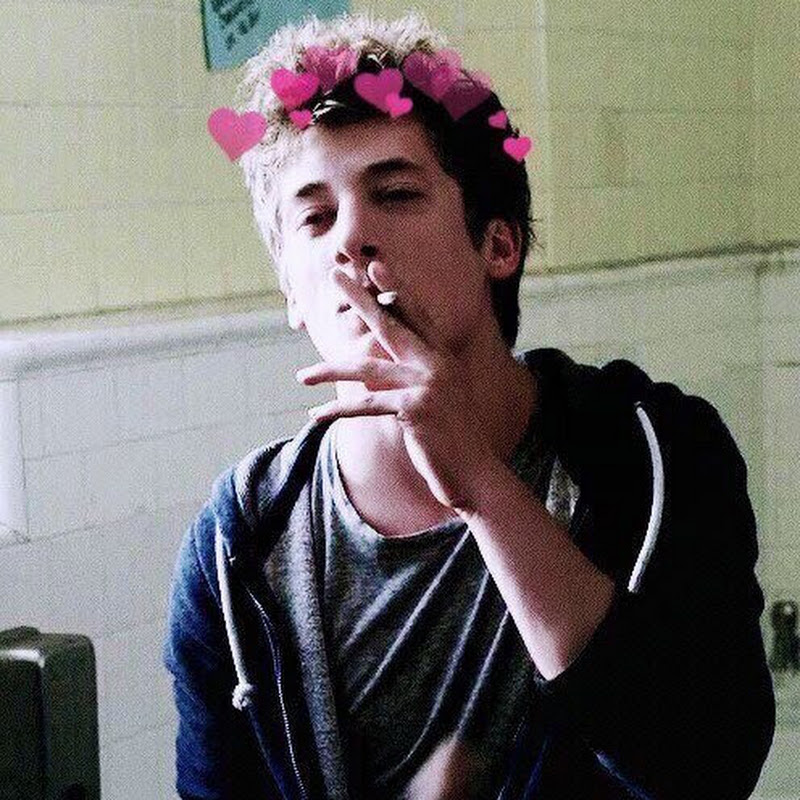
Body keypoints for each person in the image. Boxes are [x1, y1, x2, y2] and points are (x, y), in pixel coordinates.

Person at [163, 11, 775, 800]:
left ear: (498, 244)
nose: (351, 238)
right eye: (315, 216)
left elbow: (711, 767)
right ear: (290, 290)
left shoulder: (651, 455)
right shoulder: (238, 545)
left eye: (395, 193)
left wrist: (483, 490)